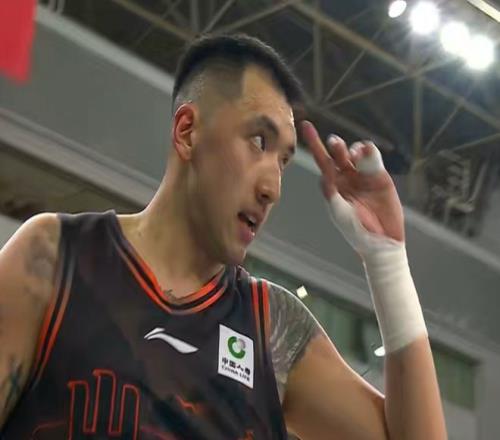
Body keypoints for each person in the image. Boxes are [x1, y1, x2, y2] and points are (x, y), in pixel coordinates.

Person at [0, 34, 446, 439]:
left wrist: (387, 260)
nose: (272, 187)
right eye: (258, 141)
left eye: (283, 161)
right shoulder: (55, 257)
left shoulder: (272, 328)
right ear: (187, 132)